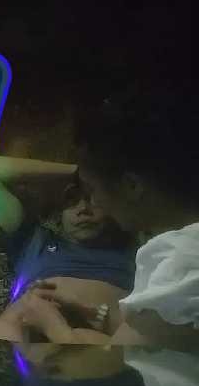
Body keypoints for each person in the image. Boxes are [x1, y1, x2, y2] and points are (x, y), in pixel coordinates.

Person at [22, 79, 199, 349]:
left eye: (93, 190)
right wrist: (89, 311)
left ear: (132, 186)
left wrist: (52, 326)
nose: (93, 202)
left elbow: (124, 362)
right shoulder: (182, 249)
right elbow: (161, 337)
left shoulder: (178, 261)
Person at [0, 156, 135, 342]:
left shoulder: (134, 250)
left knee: (89, 340)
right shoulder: (34, 240)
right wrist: (80, 172)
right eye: (71, 200)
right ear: (59, 213)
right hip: (24, 331)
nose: (83, 209)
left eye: (93, 200)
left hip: (98, 334)